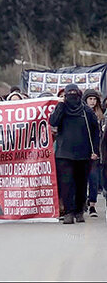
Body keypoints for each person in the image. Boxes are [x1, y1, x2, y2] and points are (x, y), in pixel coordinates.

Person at [50, 84, 99, 224]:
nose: (72, 96)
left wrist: (94, 150)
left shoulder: (86, 111)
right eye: (69, 93)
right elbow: (53, 122)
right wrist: (59, 106)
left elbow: (95, 131)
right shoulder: (62, 108)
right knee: (66, 184)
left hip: (83, 154)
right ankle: (68, 212)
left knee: (81, 184)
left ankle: (79, 211)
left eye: (74, 93)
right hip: (64, 154)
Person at [82, 89, 104, 218]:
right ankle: (83, 200)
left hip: (97, 152)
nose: (92, 101)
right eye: (90, 99)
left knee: (94, 179)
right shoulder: (81, 114)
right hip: (84, 151)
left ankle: (92, 205)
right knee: (83, 179)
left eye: (94, 99)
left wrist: (97, 151)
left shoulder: (101, 116)